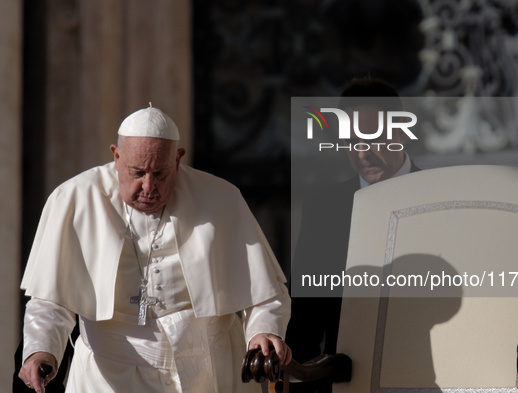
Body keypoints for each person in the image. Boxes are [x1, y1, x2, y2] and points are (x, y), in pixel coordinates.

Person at [18, 105, 291, 393]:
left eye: (160, 173)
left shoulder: (220, 198)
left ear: (178, 159)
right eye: (137, 172)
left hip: (210, 368)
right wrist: (41, 349)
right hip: (109, 375)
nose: (148, 186)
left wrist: (263, 330)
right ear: (116, 155)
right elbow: (50, 300)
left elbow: (264, 292)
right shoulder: (73, 199)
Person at [286, 77, 419, 392]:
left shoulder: (446, 199)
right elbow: (305, 318)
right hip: (347, 380)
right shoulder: (322, 211)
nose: (362, 153)